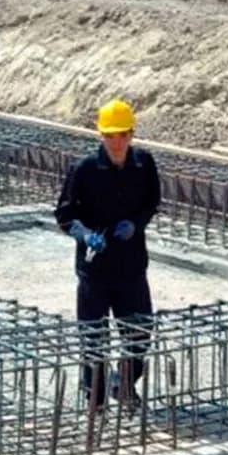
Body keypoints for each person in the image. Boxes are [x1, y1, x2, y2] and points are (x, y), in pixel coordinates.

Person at [55, 99, 161, 409]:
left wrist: (136, 224)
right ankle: (95, 399)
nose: (116, 142)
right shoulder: (85, 169)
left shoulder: (144, 164)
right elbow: (64, 215)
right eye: (109, 135)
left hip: (131, 267)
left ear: (131, 134)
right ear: (101, 136)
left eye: (122, 135)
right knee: (94, 340)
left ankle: (124, 385)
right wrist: (85, 234)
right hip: (95, 271)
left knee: (139, 334)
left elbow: (152, 202)